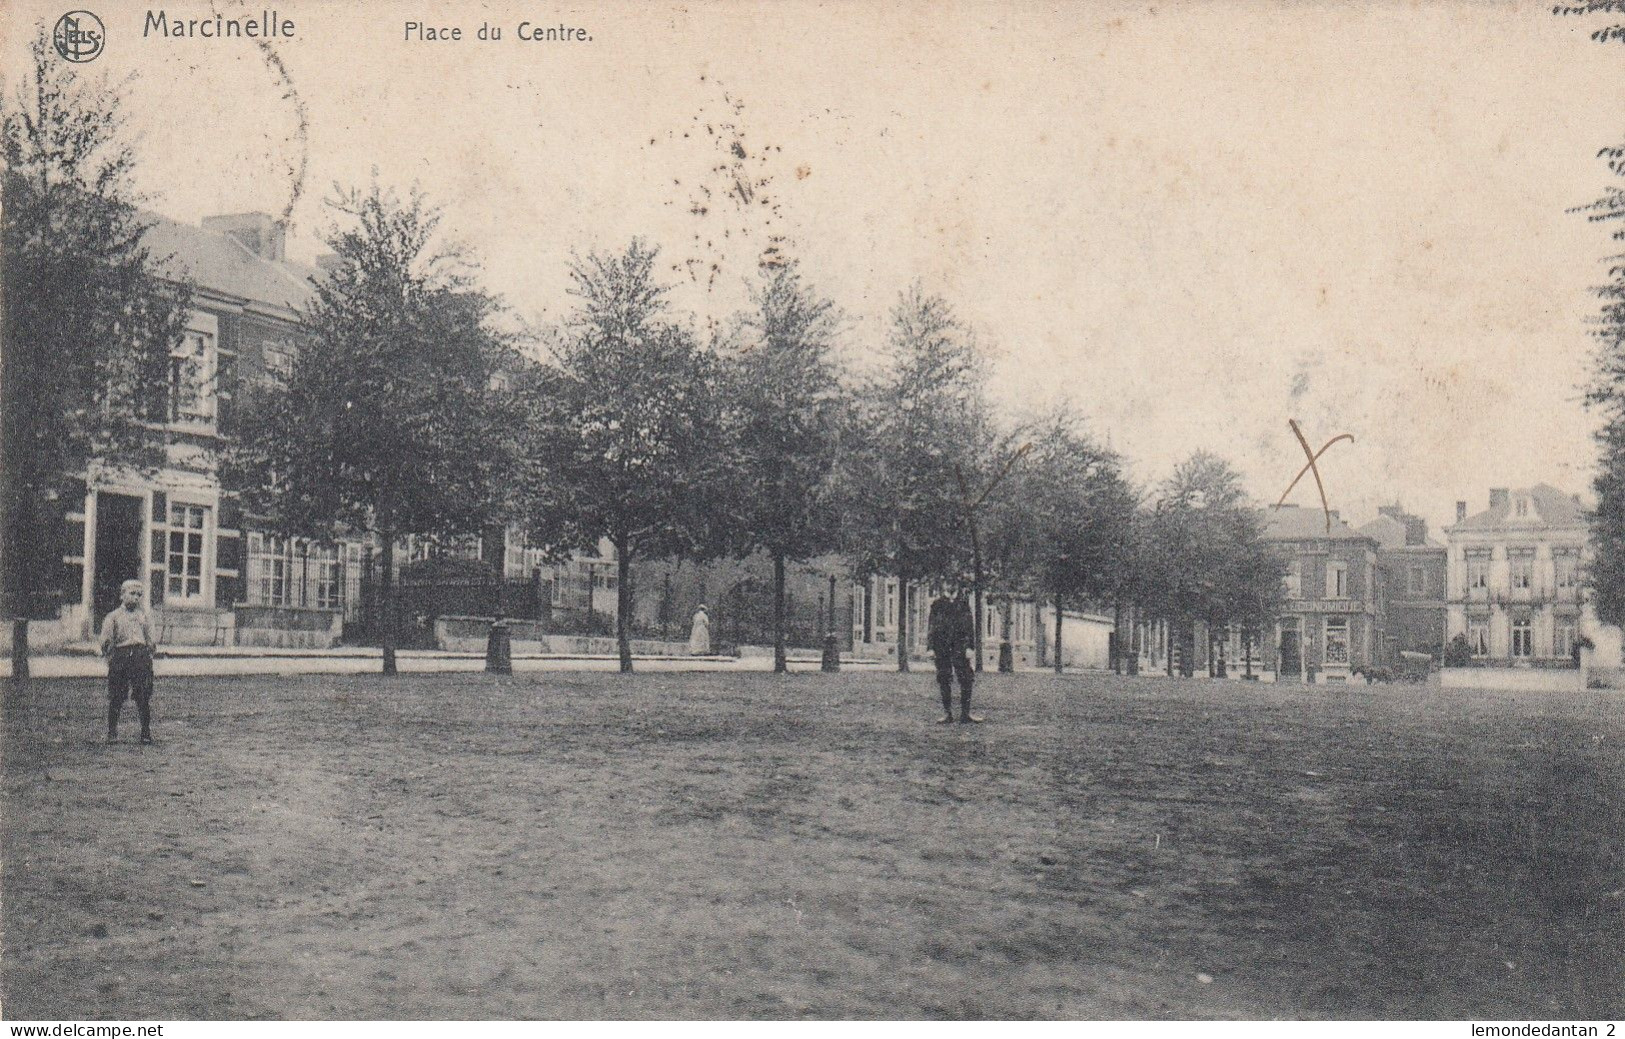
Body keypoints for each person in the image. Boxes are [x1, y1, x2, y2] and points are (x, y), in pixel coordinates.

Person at [100, 578, 157, 744]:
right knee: (116, 696)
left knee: (143, 696)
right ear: (122, 595)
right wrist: (110, 657)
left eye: (139, 595)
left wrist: (149, 651)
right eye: (132, 594)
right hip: (121, 656)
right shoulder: (113, 617)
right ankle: (112, 732)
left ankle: (145, 732)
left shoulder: (144, 617)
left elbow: (150, 637)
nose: (136, 598)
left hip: (140, 657)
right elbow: (106, 640)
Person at [926, 585, 981, 723]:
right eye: (947, 583)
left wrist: (970, 647)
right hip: (941, 646)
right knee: (944, 678)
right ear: (943, 585)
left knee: (966, 678)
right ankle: (947, 714)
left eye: (953, 583)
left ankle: (965, 714)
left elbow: (969, 627)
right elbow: (931, 627)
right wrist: (931, 647)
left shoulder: (963, 604)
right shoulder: (937, 605)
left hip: (960, 647)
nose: (950, 587)